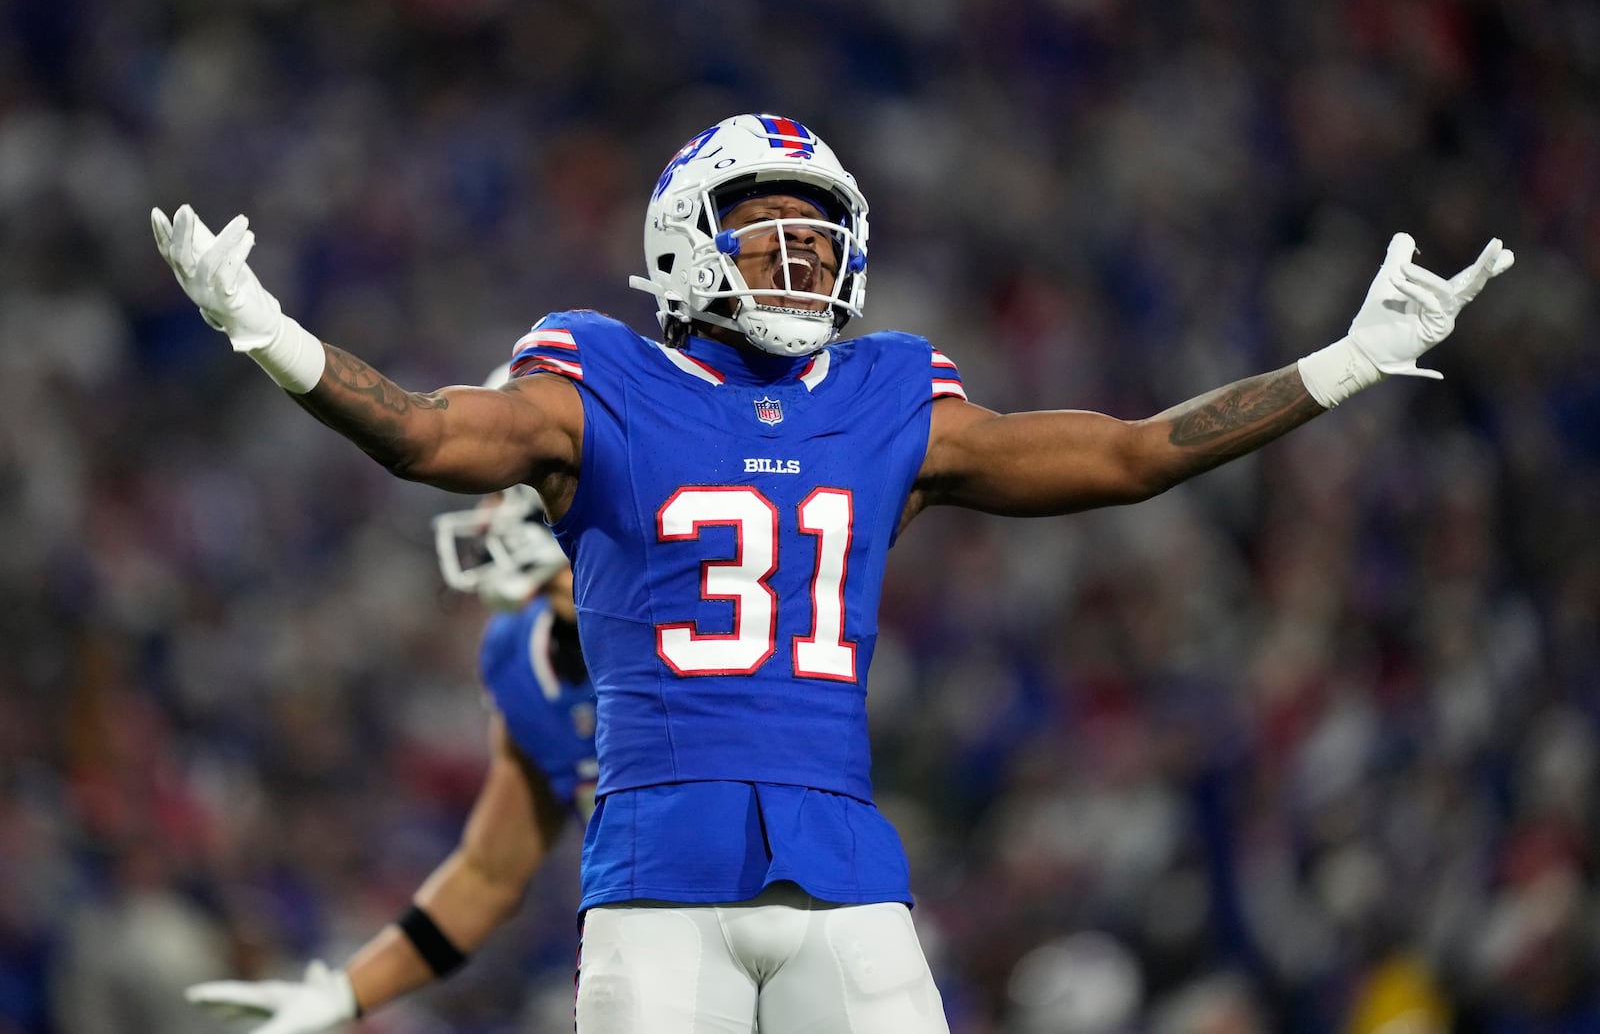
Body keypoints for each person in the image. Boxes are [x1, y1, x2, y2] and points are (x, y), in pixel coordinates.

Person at [151, 112, 1513, 1033]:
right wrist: (267, 330)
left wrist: (1339, 365)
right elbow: (432, 436)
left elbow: (1131, 452)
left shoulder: (887, 391)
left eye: (821, 229)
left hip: (845, 869)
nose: (800, 251)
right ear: (687, 239)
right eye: (765, 226)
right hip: (658, 879)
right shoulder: (598, 372)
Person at [183, 467, 597, 1032]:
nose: (486, 518)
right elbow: (489, 876)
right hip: (654, 936)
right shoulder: (521, 653)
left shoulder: (702, 617)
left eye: (502, 493)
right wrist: (347, 991)